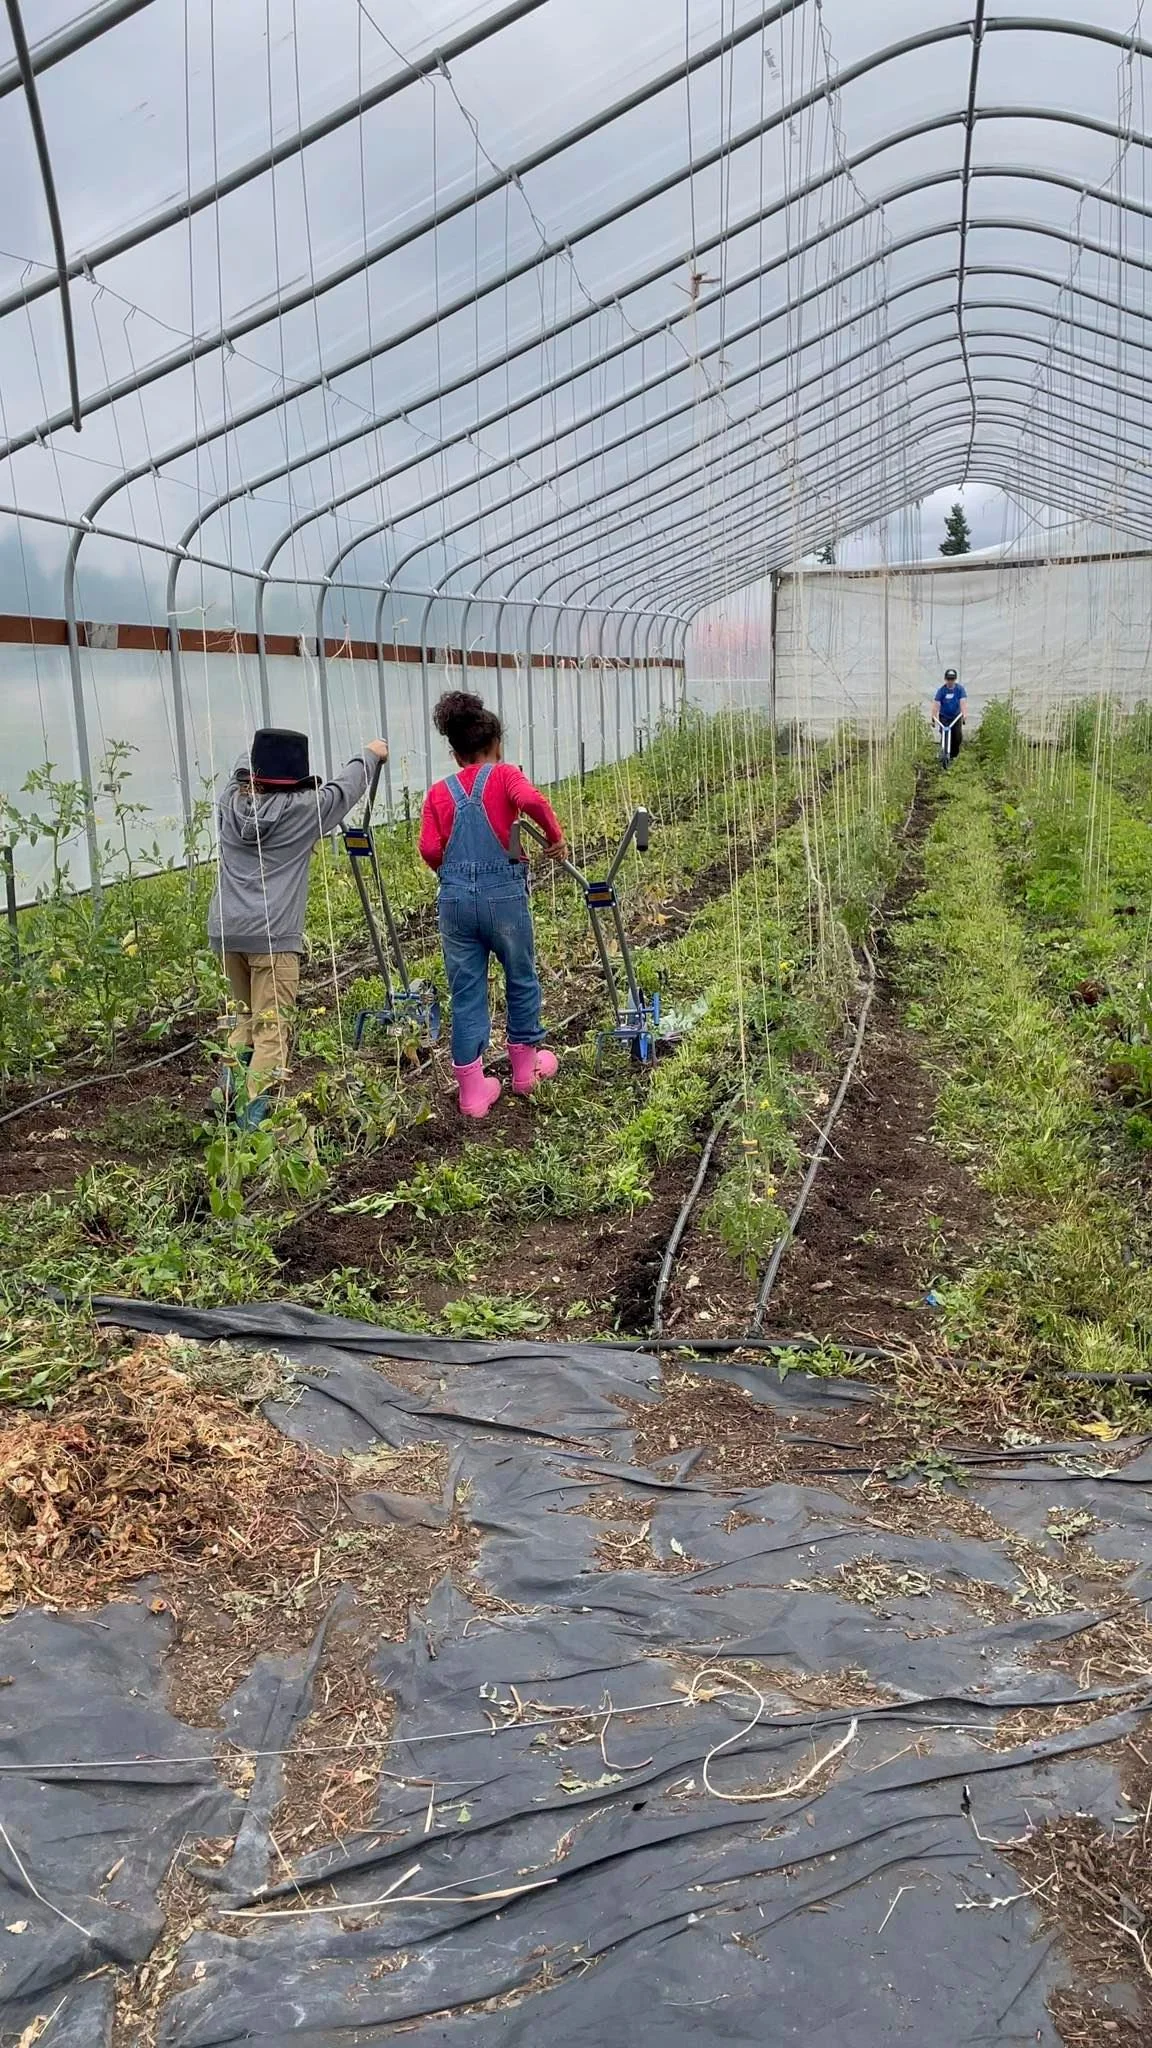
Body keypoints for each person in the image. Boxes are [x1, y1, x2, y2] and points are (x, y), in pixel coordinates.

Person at [208, 726, 389, 1125]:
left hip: (225, 931)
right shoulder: (303, 810)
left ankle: (226, 1091)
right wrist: (371, 754)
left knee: (245, 1017)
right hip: (272, 936)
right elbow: (345, 789)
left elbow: (243, 767)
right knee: (272, 1028)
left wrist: (260, 756)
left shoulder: (229, 800)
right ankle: (253, 1123)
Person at [420, 690, 567, 1118]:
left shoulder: (438, 793)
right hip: (503, 896)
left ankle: (472, 1093)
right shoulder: (504, 776)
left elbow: (429, 848)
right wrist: (554, 837)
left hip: (455, 903)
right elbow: (534, 802)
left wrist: (452, 875)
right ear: (497, 744)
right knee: (520, 975)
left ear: (454, 753)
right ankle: (524, 1072)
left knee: (465, 990)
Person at [933, 667, 967, 761]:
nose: (950, 681)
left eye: (952, 679)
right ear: (945, 679)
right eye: (948, 679)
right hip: (944, 717)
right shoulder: (942, 691)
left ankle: (954, 756)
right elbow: (936, 704)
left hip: (956, 717)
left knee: (957, 736)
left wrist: (964, 714)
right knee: (945, 735)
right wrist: (934, 716)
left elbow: (963, 702)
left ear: (955, 679)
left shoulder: (960, 689)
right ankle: (944, 754)